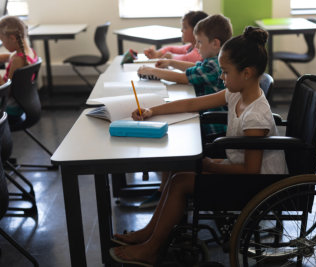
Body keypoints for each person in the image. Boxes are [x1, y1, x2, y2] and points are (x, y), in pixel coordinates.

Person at [109, 26, 287, 266]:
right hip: (241, 171)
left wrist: (209, 164)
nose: (221, 77)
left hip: (259, 185)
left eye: (225, 72)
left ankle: (151, 249)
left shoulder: (255, 117)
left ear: (246, 73)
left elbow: (250, 172)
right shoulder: (237, 93)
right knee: (176, 171)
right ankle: (150, 233)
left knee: (181, 179)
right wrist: (153, 111)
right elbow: (192, 103)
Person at [137, 14, 233, 209]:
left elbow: (186, 78)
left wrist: (155, 71)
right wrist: (170, 63)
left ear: (215, 43)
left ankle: (166, 193)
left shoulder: (215, 65)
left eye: (199, 42)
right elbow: (194, 68)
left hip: (215, 132)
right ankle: (164, 191)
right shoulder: (213, 62)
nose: (196, 47)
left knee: (172, 139)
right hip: (208, 123)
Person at [0, 16, 38, 116]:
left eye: (2, 41)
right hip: (23, 104)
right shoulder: (28, 53)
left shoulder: (18, 60)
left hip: (10, 107)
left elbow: (6, 92)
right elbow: (7, 57)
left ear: (12, 38)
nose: (3, 44)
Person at [144, 10, 208, 63]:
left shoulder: (201, 50)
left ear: (196, 30)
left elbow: (188, 59)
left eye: (185, 27)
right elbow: (170, 49)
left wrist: (171, 57)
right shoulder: (189, 47)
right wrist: (157, 53)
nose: (182, 30)